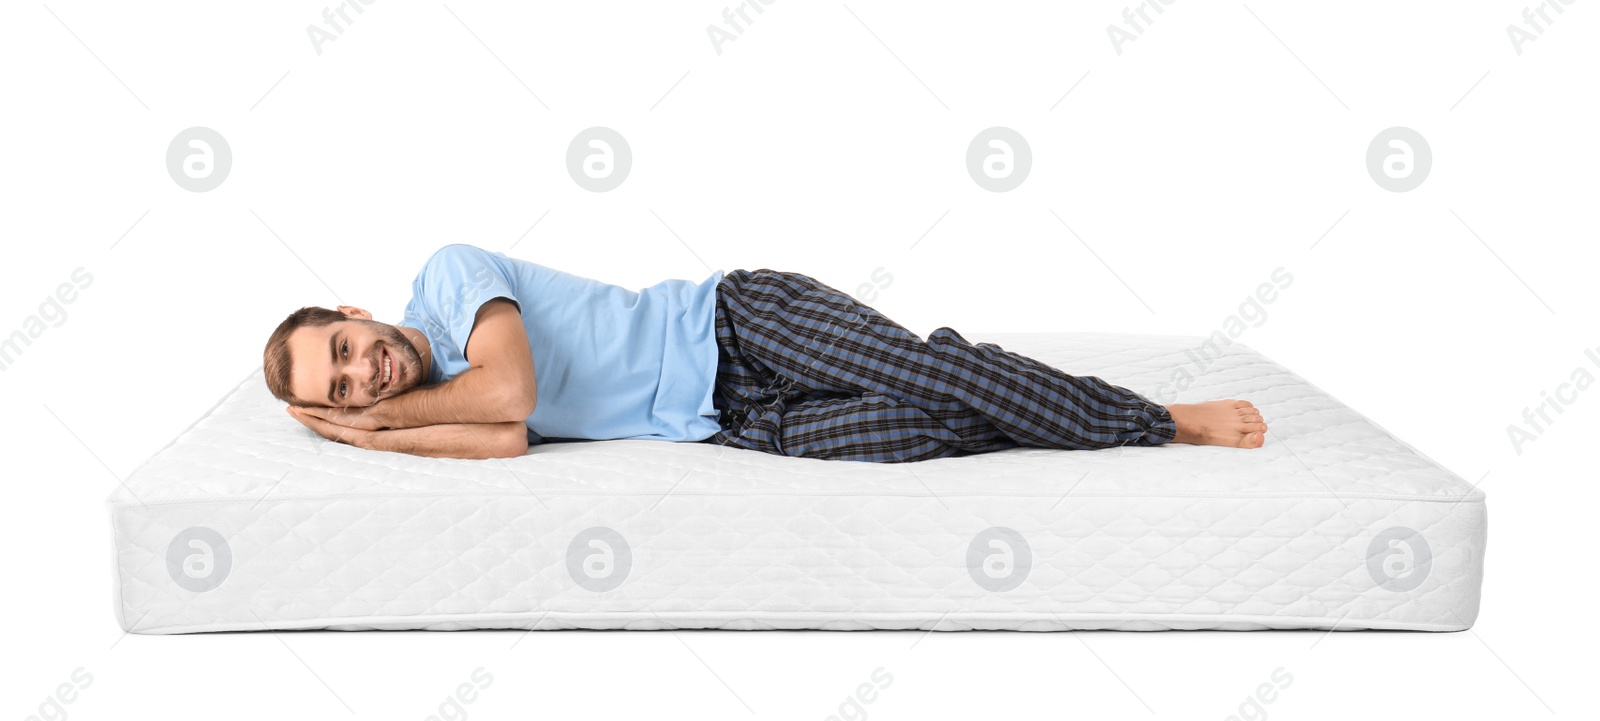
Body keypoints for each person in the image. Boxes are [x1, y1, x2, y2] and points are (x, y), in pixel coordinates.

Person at [263, 245, 1267, 462]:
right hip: (733, 420)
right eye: (343, 385)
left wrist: (379, 419)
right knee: (930, 427)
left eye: (345, 349)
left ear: (355, 311)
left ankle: (1161, 418)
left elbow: (511, 386)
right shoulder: (441, 410)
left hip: (735, 323)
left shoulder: (447, 282)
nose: (366, 374)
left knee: (924, 373)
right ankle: (972, 363)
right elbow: (507, 440)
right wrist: (367, 437)